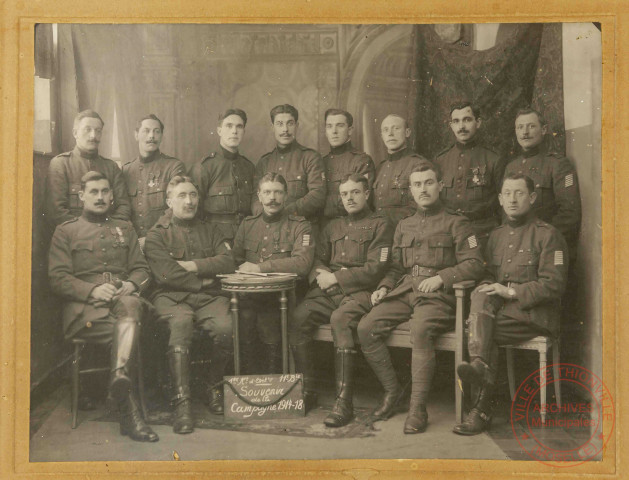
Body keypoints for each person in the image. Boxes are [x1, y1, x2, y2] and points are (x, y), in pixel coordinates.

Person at [357, 162, 485, 434]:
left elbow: (475, 263)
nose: (423, 189)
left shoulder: (457, 222)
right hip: (405, 290)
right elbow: (395, 266)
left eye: (428, 183)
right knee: (366, 327)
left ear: (440, 185)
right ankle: (394, 392)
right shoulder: (404, 225)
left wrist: (442, 277)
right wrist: (383, 286)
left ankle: (417, 409)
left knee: (421, 329)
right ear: (411, 190)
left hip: (437, 296)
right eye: (417, 184)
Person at [453, 173, 568, 436]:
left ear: (532, 197)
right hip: (503, 314)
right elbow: (488, 276)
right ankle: (480, 383)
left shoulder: (548, 235)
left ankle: (481, 407)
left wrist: (509, 291)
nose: (513, 199)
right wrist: (488, 288)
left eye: (519, 193)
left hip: (535, 314)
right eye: (507, 193)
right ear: (500, 199)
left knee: (480, 331)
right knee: (480, 303)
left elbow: (554, 284)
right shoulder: (496, 236)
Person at [48, 171, 158, 442]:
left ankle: (122, 386)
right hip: (86, 311)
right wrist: (92, 289)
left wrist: (130, 285)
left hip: (123, 300)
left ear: (112, 195)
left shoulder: (126, 228)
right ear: (81, 196)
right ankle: (128, 407)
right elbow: (57, 278)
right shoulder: (66, 231)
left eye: (104, 192)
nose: (100, 197)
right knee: (128, 331)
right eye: (93, 192)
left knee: (131, 306)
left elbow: (142, 270)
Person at [290, 173, 393, 425]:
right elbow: (318, 260)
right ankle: (309, 389)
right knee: (297, 317)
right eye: (345, 194)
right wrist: (324, 276)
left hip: (361, 293)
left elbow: (375, 269)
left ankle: (343, 401)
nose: (350, 198)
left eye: (355, 192)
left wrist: (337, 278)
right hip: (328, 292)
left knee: (340, 320)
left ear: (367, 194)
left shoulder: (381, 224)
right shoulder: (332, 226)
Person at [144, 176, 237, 432]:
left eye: (193, 195)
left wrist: (195, 265)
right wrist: (205, 281)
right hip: (170, 298)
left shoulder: (211, 230)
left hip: (209, 300)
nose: (189, 201)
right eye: (183, 195)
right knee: (182, 325)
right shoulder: (156, 235)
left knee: (226, 328)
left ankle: (213, 387)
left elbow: (228, 262)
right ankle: (182, 401)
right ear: (169, 201)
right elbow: (166, 274)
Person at [233, 173, 315, 374]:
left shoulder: (299, 225)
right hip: (250, 297)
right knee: (243, 320)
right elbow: (235, 261)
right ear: (259, 197)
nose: (272, 198)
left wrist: (260, 268)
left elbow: (302, 263)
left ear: (286, 196)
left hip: (283, 297)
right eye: (267, 192)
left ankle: (273, 381)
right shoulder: (248, 225)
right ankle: (250, 383)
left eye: (278, 192)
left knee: (268, 321)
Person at [505, 108, 581, 251]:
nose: (525, 132)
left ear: (544, 129)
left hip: (544, 246)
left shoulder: (558, 164)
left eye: (531, 126)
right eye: (520, 127)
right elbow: (505, 212)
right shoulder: (511, 167)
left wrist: (542, 241)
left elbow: (569, 214)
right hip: (514, 245)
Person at [434, 102, 506, 249]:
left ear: (478, 122)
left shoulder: (493, 159)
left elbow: (504, 204)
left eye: (467, 120)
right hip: (449, 234)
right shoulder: (440, 160)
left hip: (484, 234)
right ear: (451, 125)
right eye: (456, 121)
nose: (461, 126)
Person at [45, 110, 131, 226]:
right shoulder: (60, 164)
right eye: (87, 129)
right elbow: (57, 211)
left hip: (107, 237)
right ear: (75, 133)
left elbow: (123, 206)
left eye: (98, 131)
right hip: (74, 238)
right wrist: (87, 233)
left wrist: (107, 232)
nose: (93, 136)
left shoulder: (111, 167)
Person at [190, 108, 256, 243]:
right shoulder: (205, 167)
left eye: (239, 127)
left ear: (244, 131)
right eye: (229, 126)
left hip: (248, 238)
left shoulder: (249, 167)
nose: (234, 131)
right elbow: (194, 211)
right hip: (216, 240)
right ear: (219, 131)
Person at [252, 104, 326, 222]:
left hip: (301, 226)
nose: (285, 130)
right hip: (270, 228)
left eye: (290, 123)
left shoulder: (310, 158)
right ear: (272, 127)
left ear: (297, 126)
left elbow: (317, 195)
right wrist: (265, 215)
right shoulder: (264, 162)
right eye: (280, 124)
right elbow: (255, 199)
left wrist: (284, 213)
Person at [122, 114, 185, 247]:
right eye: (146, 131)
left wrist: (152, 238)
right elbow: (121, 210)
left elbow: (177, 209)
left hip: (165, 242)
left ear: (161, 136)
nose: (152, 136)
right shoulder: (126, 170)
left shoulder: (173, 167)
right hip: (133, 244)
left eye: (156, 132)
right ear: (136, 135)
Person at [372, 114, 428, 226]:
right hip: (379, 232)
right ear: (382, 136)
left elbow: (420, 206)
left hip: (406, 231)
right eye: (386, 130)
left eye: (396, 128)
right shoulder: (380, 168)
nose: (390, 134)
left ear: (407, 133)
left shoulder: (418, 164)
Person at [321, 109, 375, 222]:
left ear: (350, 130)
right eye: (329, 126)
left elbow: (362, 200)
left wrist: (322, 204)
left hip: (352, 225)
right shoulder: (320, 162)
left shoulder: (361, 160)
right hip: (324, 227)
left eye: (340, 126)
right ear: (325, 131)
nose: (334, 131)